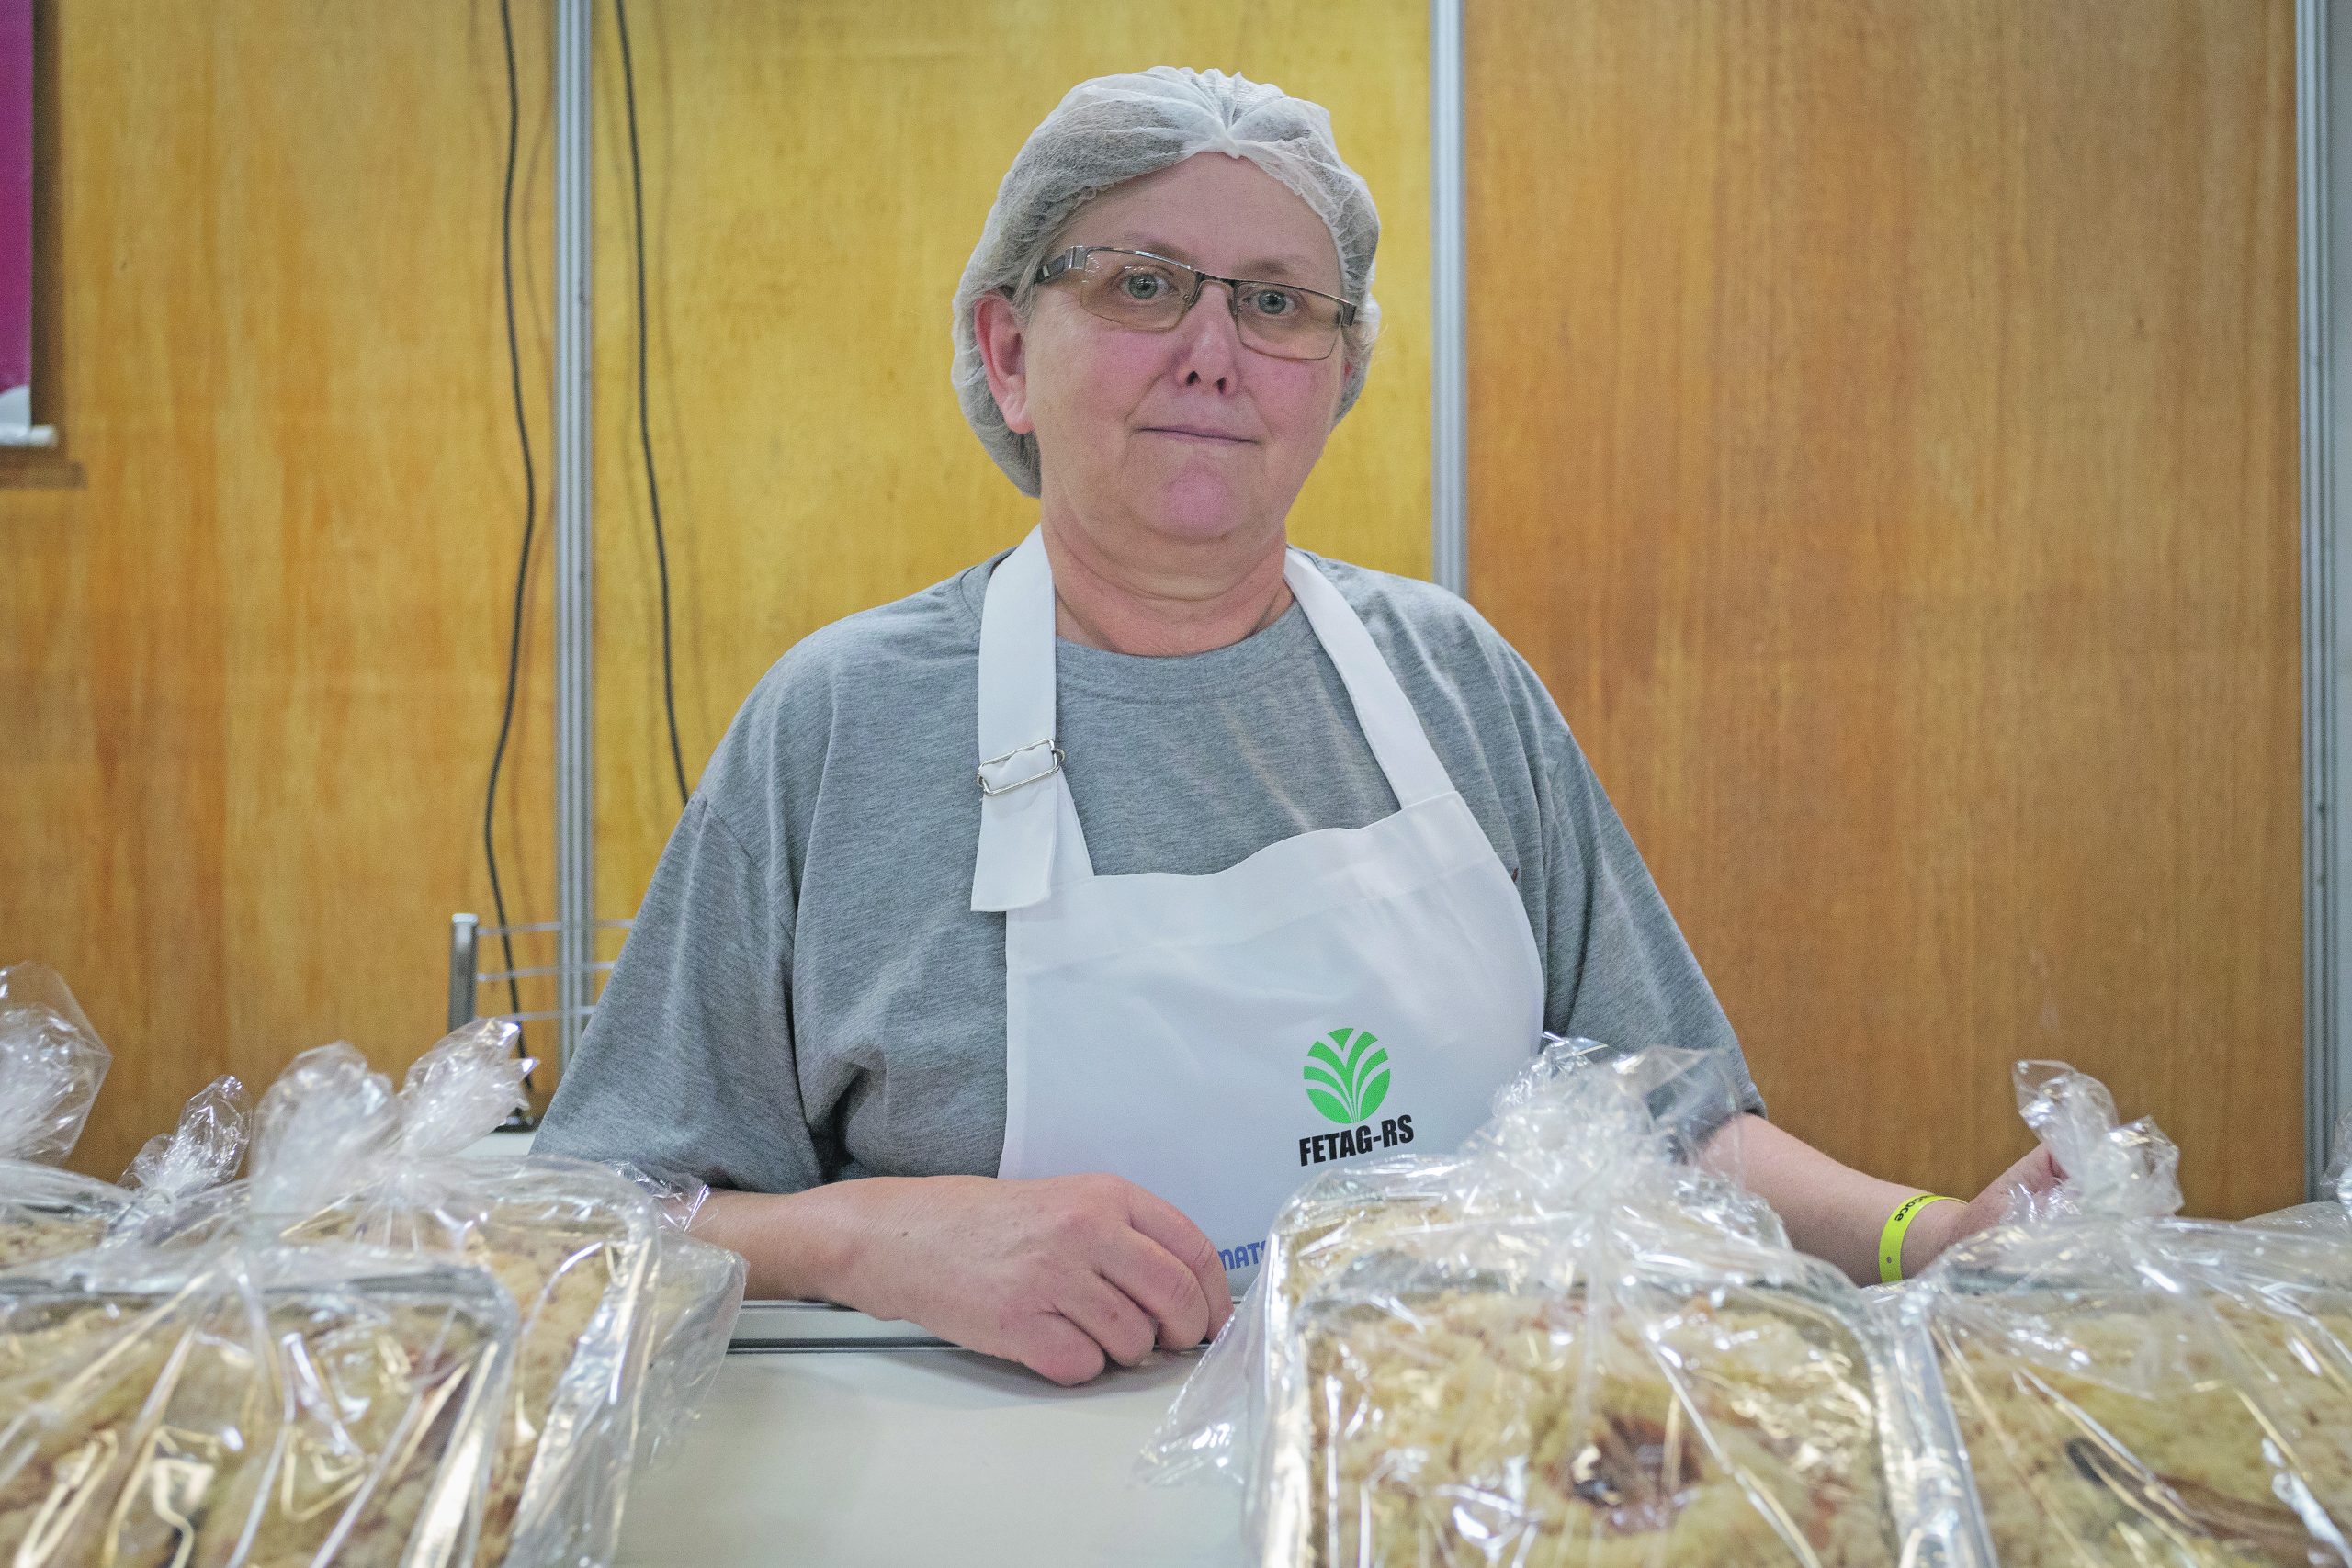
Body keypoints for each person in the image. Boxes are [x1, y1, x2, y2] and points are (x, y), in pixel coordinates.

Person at [536, 66, 2055, 1386]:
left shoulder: (1452, 682)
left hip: (1454, 1482)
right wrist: (869, 1236)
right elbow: (593, 1223)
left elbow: (1668, 1129)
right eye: (1141, 284)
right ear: (1007, 352)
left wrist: (1931, 1238)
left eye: (1276, 304)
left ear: (1337, 375)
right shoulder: (843, 727)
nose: (1213, 351)